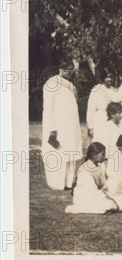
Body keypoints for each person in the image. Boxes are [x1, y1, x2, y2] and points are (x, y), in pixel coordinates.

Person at [41, 59, 82, 190]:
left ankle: (68, 182)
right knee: (58, 152)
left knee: (71, 151)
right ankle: (56, 183)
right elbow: (48, 108)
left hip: (71, 125)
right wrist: (52, 129)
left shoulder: (71, 86)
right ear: (60, 69)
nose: (68, 71)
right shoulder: (52, 83)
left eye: (70, 68)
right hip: (58, 125)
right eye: (65, 68)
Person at [65, 142, 119, 214]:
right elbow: (90, 191)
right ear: (94, 155)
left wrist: (108, 193)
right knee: (108, 204)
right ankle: (76, 208)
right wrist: (107, 197)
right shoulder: (84, 169)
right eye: (102, 154)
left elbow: (103, 185)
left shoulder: (99, 167)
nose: (104, 156)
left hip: (95, 195)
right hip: (85, 196)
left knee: (118, 199)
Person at [86, 66, 118, 139]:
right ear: (103, 77)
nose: (110, 79)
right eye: (107, 77)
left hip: (112, 120)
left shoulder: (115, 90)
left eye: (111, 77)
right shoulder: (97, 89)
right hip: (100, 119)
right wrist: (90, 127)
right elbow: (90, 109)